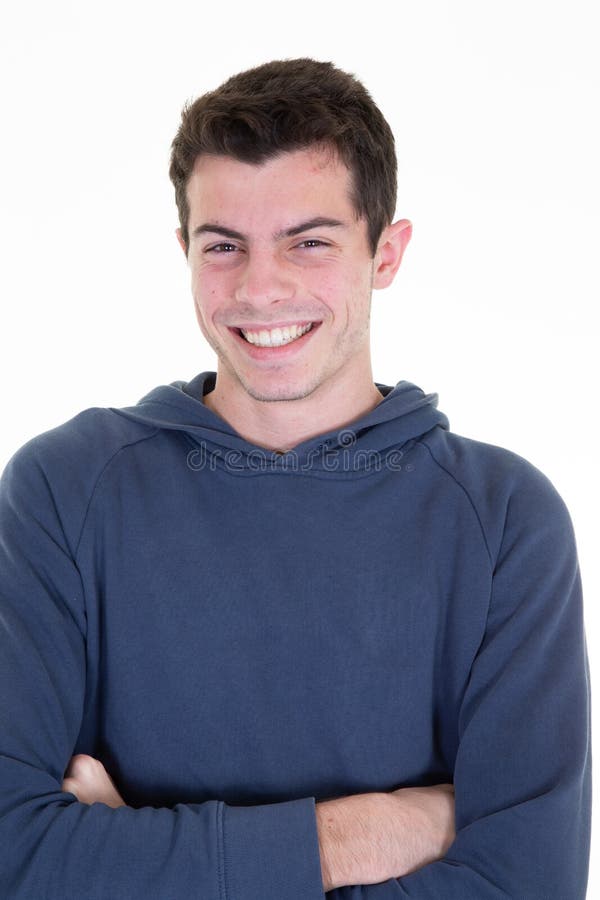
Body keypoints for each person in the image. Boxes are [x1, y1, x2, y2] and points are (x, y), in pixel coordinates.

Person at [0, 57, 590, 899]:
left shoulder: (506, 521)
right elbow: (14, 857)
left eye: (308, 242)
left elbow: (524, 884)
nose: (260, 287)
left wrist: (133, 851)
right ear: (184, 253)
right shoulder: (65, 490)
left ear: (385, 252)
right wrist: (372, 834)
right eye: (223, 247)